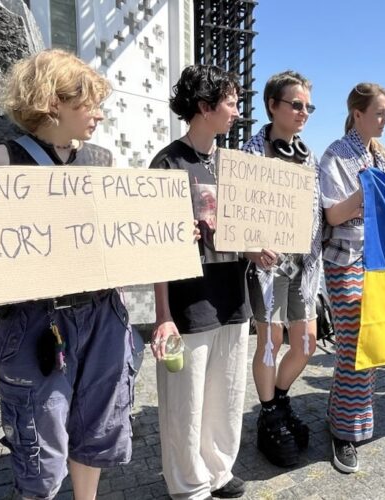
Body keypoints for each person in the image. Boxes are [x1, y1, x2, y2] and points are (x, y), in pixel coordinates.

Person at [0, 49, 141, 500]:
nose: (100, 115)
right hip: (35, 322)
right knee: (38, 445)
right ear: (53, 103)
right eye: (89, 103)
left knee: (99, 425)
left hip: (101, 314)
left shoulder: (101, 162)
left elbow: (116, 241)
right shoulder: (0, 163)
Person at [149, 65, 252, 499]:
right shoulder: (168, 162)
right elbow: (153, 247)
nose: (236, 110)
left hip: (233, 297)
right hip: (188, 302)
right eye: (229, 101)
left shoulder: (235, 165)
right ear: (205, 107)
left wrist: (257, 248)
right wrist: (162, 315)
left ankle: (218, 470)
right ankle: (188, 485)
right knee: (184, 401)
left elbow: (246, 229)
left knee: (226, 395)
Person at [240, 70, 322, 467]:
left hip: (303, 265)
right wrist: (254, 247)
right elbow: (237, 213)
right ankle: (270, 413)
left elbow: (314, 215)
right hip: (267, 267)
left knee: (306, 341)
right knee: (270, 342)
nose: (303, 111)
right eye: (296, 104)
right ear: (272, 106)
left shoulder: (309, 155)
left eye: (308, 105)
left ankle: (278, 399)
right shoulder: (251, 153)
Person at [319, 82, 385, 473]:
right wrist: (366, 192)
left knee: (371, 340)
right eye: (379, 112)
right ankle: (345, 432)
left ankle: (344, 417)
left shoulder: (382, 156)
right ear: (358, 113)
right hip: (345, 258)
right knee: (353, 344)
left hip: (376, 260)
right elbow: (332, 214)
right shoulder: (336, 155)